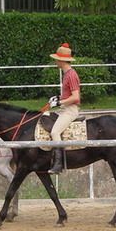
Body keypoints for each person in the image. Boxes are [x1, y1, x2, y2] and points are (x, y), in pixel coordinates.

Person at [47, 43, 81, 174]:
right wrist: (58, 98)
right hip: (65, 108)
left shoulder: (71, 75)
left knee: (55, 132)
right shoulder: (67, 74)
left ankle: (58, 164)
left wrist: (60, 102)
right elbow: (68, 95)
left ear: (61, 61)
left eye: (56, 59)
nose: (55, 61)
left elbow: (76, 97)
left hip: (70, 110)